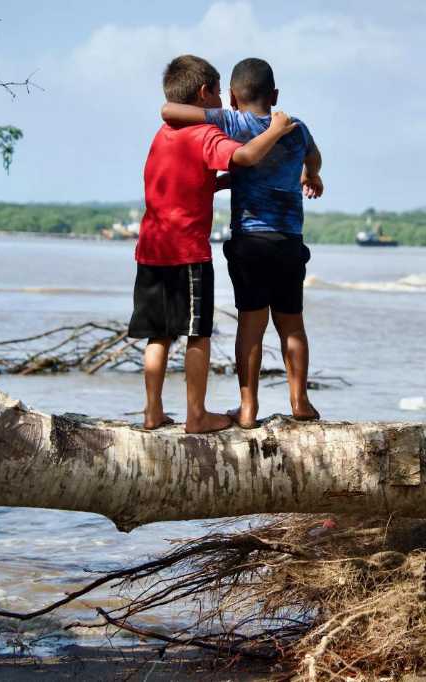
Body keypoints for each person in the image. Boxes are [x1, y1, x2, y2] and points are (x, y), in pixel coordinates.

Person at [129, 54, 298, 433]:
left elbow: (190, 178)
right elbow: (244, 157)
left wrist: (218, 183)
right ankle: (196, 415)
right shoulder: (206, 135)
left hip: (150, 248)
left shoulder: (164, 134)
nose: (223, 99)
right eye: (219, 92)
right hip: (187, 252)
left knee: (159, 334)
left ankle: (152, 412)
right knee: (197, 335)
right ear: (205, 93)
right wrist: (276, 130)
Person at [161, 57, 323, 428]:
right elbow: (313, 156)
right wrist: (310, 174)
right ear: (276, 94)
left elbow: (169, 111)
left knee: (251, 325)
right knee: (292, 325)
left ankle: (248, 408)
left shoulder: (232, 121)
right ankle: (300, 401)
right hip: (288, 241)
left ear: (232, 96)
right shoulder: (296, 128)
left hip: (250, 242)